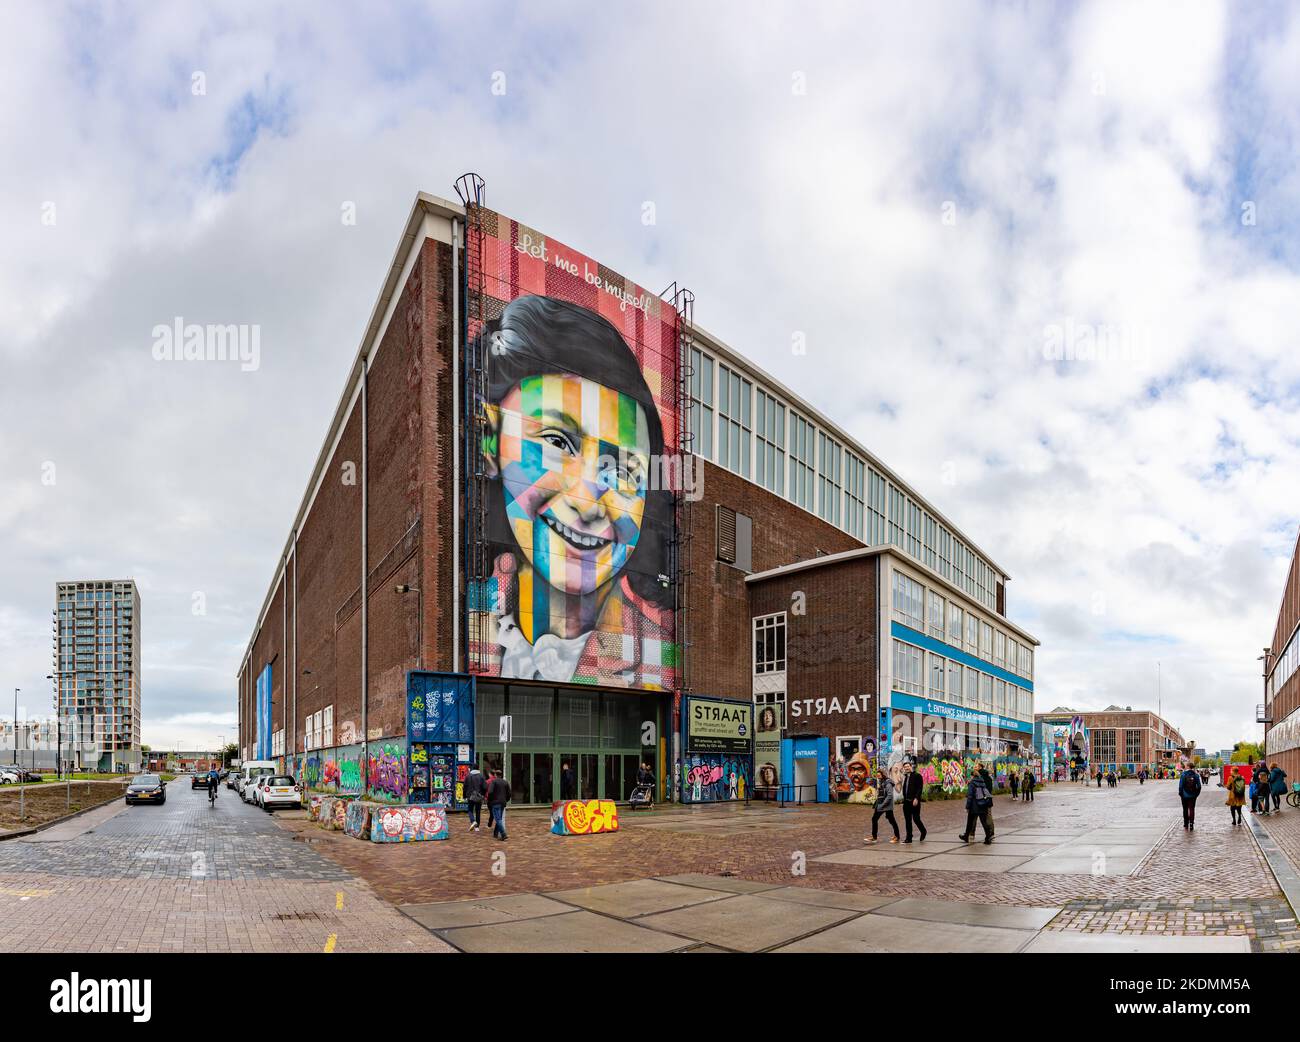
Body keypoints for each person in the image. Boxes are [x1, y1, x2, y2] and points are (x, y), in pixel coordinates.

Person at [471, 294, 675, 687]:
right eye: (558, 442)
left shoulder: (656, 663)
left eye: (623, 468)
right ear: (492, 442)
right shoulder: (466, 618)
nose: (589, 500)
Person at [959, 766, 994, 844]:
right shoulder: (982, 782)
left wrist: (967, 807)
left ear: (972, 776)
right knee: (984, 822)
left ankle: (966, 836)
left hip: (974, 806)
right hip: (983, 805)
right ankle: (988, 838)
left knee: (970, 822)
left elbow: (970, 796)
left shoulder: (972, 783)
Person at [864, 768, 900, 844]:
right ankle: (874, 837)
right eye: (877, 774)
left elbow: (889, 796)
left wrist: (882, 805)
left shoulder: (888, 783)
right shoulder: (882, 782)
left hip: (885, 805)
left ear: (882, 774)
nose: (877, 775)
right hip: (881, 804)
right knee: (875, 819)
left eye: (879, 774)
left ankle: (896, 836)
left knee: (891, 820)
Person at [900, 760, 927, 843]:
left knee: (916, 819)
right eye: (905, 767)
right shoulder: (905, 777)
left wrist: (916, 798)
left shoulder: (917, 776)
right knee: (908, 820)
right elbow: (905, 789)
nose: (906, 768)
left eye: (908, 766)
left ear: (911, 767)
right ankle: (909, 838)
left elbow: (919, 788)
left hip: (914, 801)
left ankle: (923, 831)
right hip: (906, 802)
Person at [486, 767, 511, 841]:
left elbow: (490, 792)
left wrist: (490, 800)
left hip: (495, 802)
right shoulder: (505, 782)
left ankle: (503, 834)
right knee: (499, 818)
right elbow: (509, 793)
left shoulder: (494, 782)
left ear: (496, 775)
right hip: (503, 802)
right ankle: (495, 833)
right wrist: (506, 800)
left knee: (498, 819)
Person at [1178, 762, 1202, 830]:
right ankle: (1191, 824)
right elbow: (1199, 786)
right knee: (1192, 809)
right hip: (1193, 795)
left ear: (1188, 766)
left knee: (1185, 809)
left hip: (1184, 795)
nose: (1185, 766)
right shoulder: (1196, 775)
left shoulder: (1183, 774)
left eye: (1186, 766)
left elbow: (1181, 786)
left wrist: (1181, 793)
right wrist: (1197, 794)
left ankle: (1186, 824)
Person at [464, 763, 487, 832]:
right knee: (478, 811)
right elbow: (485, 787)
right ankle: (477, 827)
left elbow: (465, 787)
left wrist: (464, 795)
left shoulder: (468, 776)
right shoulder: (481, 776)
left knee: (470, 810)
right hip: (479, 796)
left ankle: (473, 821)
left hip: (470, 796)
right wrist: (482, 794)